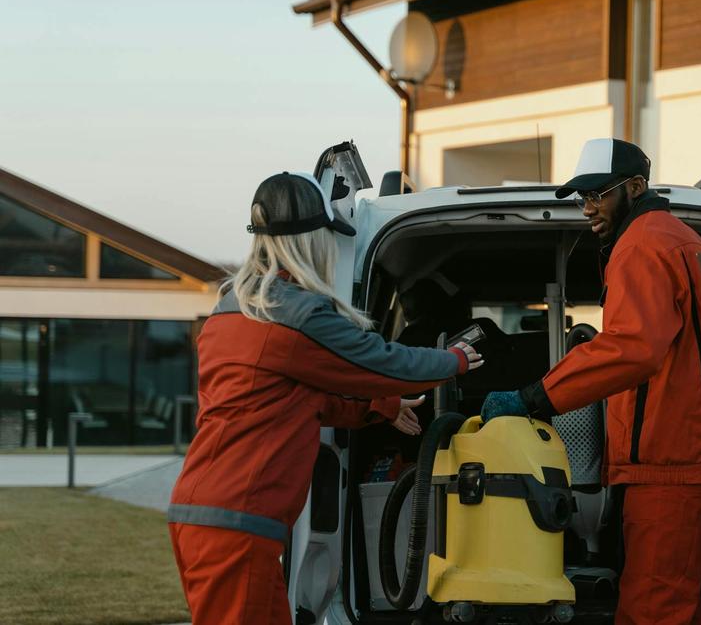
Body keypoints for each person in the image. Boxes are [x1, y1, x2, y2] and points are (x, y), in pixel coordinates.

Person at [167, 172, 482, 625]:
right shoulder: (295, 315)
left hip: (203, 511)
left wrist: (381, 407)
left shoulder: (231, 310)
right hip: (239, 522)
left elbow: (297, 401)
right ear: (311, 239)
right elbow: (381, 361)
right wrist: (454, 361)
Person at [482, 139, 701, 625]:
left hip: (671, 461)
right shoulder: (691, 243)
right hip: (696, 455)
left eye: (598, 194)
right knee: (671, 603)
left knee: (652, 610)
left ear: (635, 187)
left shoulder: (643, 245)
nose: (587, 208)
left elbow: (630, 348)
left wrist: (534, 397)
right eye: (581, 197)